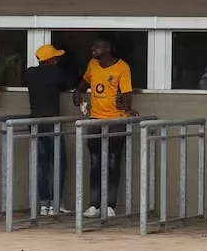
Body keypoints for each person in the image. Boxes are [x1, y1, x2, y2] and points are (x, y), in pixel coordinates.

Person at [73, 37, 135, 219]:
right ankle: (94, 205)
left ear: (107, 48)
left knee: (113, 162)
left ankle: (110, 205)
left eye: (97, 46)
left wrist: (126, 106)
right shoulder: (92, 64)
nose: (93, 48)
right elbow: (83, 84)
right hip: (95, 120)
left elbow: (127, 94)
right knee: (94, 162)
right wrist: (77, 92)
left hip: (115, 121)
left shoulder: (122, 67)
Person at [21, 44, 74, 214]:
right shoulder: (55, 72)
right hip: (52, 123)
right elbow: (69, 83)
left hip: (35, 124)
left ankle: (44, 204)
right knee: (59, 163)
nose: (58, 60)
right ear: (50, 60)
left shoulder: (30, 73)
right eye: (56, 58)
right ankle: (56, 204)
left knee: (41, 165)